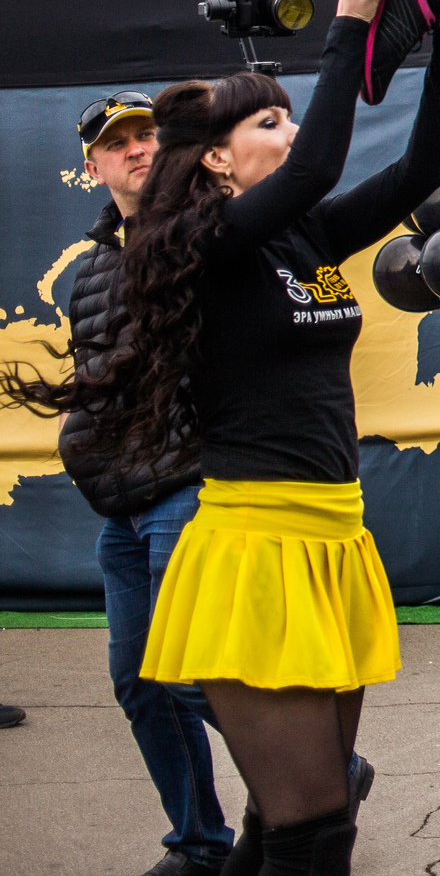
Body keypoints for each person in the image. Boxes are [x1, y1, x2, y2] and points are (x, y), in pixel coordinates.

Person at [3, 0, 440, 876]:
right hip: (255, 543)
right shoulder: (210, 242)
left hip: (332, 536)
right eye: (272, 119)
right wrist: (348, 26)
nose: (293, 132)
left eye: (291, 115)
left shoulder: (303, 236)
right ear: (218, 158)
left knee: (295, 820)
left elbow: (419, 169)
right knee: (315, 834)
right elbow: (316, 167)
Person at [57, 94, 235, 876]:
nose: (135, 148)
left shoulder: (208, 234)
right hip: (120, 506)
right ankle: (199, 844)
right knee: (140, 683)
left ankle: (321, 776)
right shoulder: (91, 268)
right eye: (116, 142)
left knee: (191, 674)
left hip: (189, 486)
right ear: (92, 165)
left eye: (146, 134)